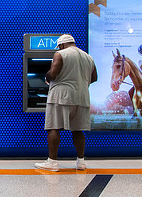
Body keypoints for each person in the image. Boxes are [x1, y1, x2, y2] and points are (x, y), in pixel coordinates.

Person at [35, 34, 97, 172]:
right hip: (82, 96)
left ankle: (52, 162)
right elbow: (94, 78)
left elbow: (54, 73)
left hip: (61, 96)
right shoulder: (88, 57)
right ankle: (81, 162)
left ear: (62, 45)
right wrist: (80, 84)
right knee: (78, 130)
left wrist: (47, 77)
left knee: (54, 127)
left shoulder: (60, 54)